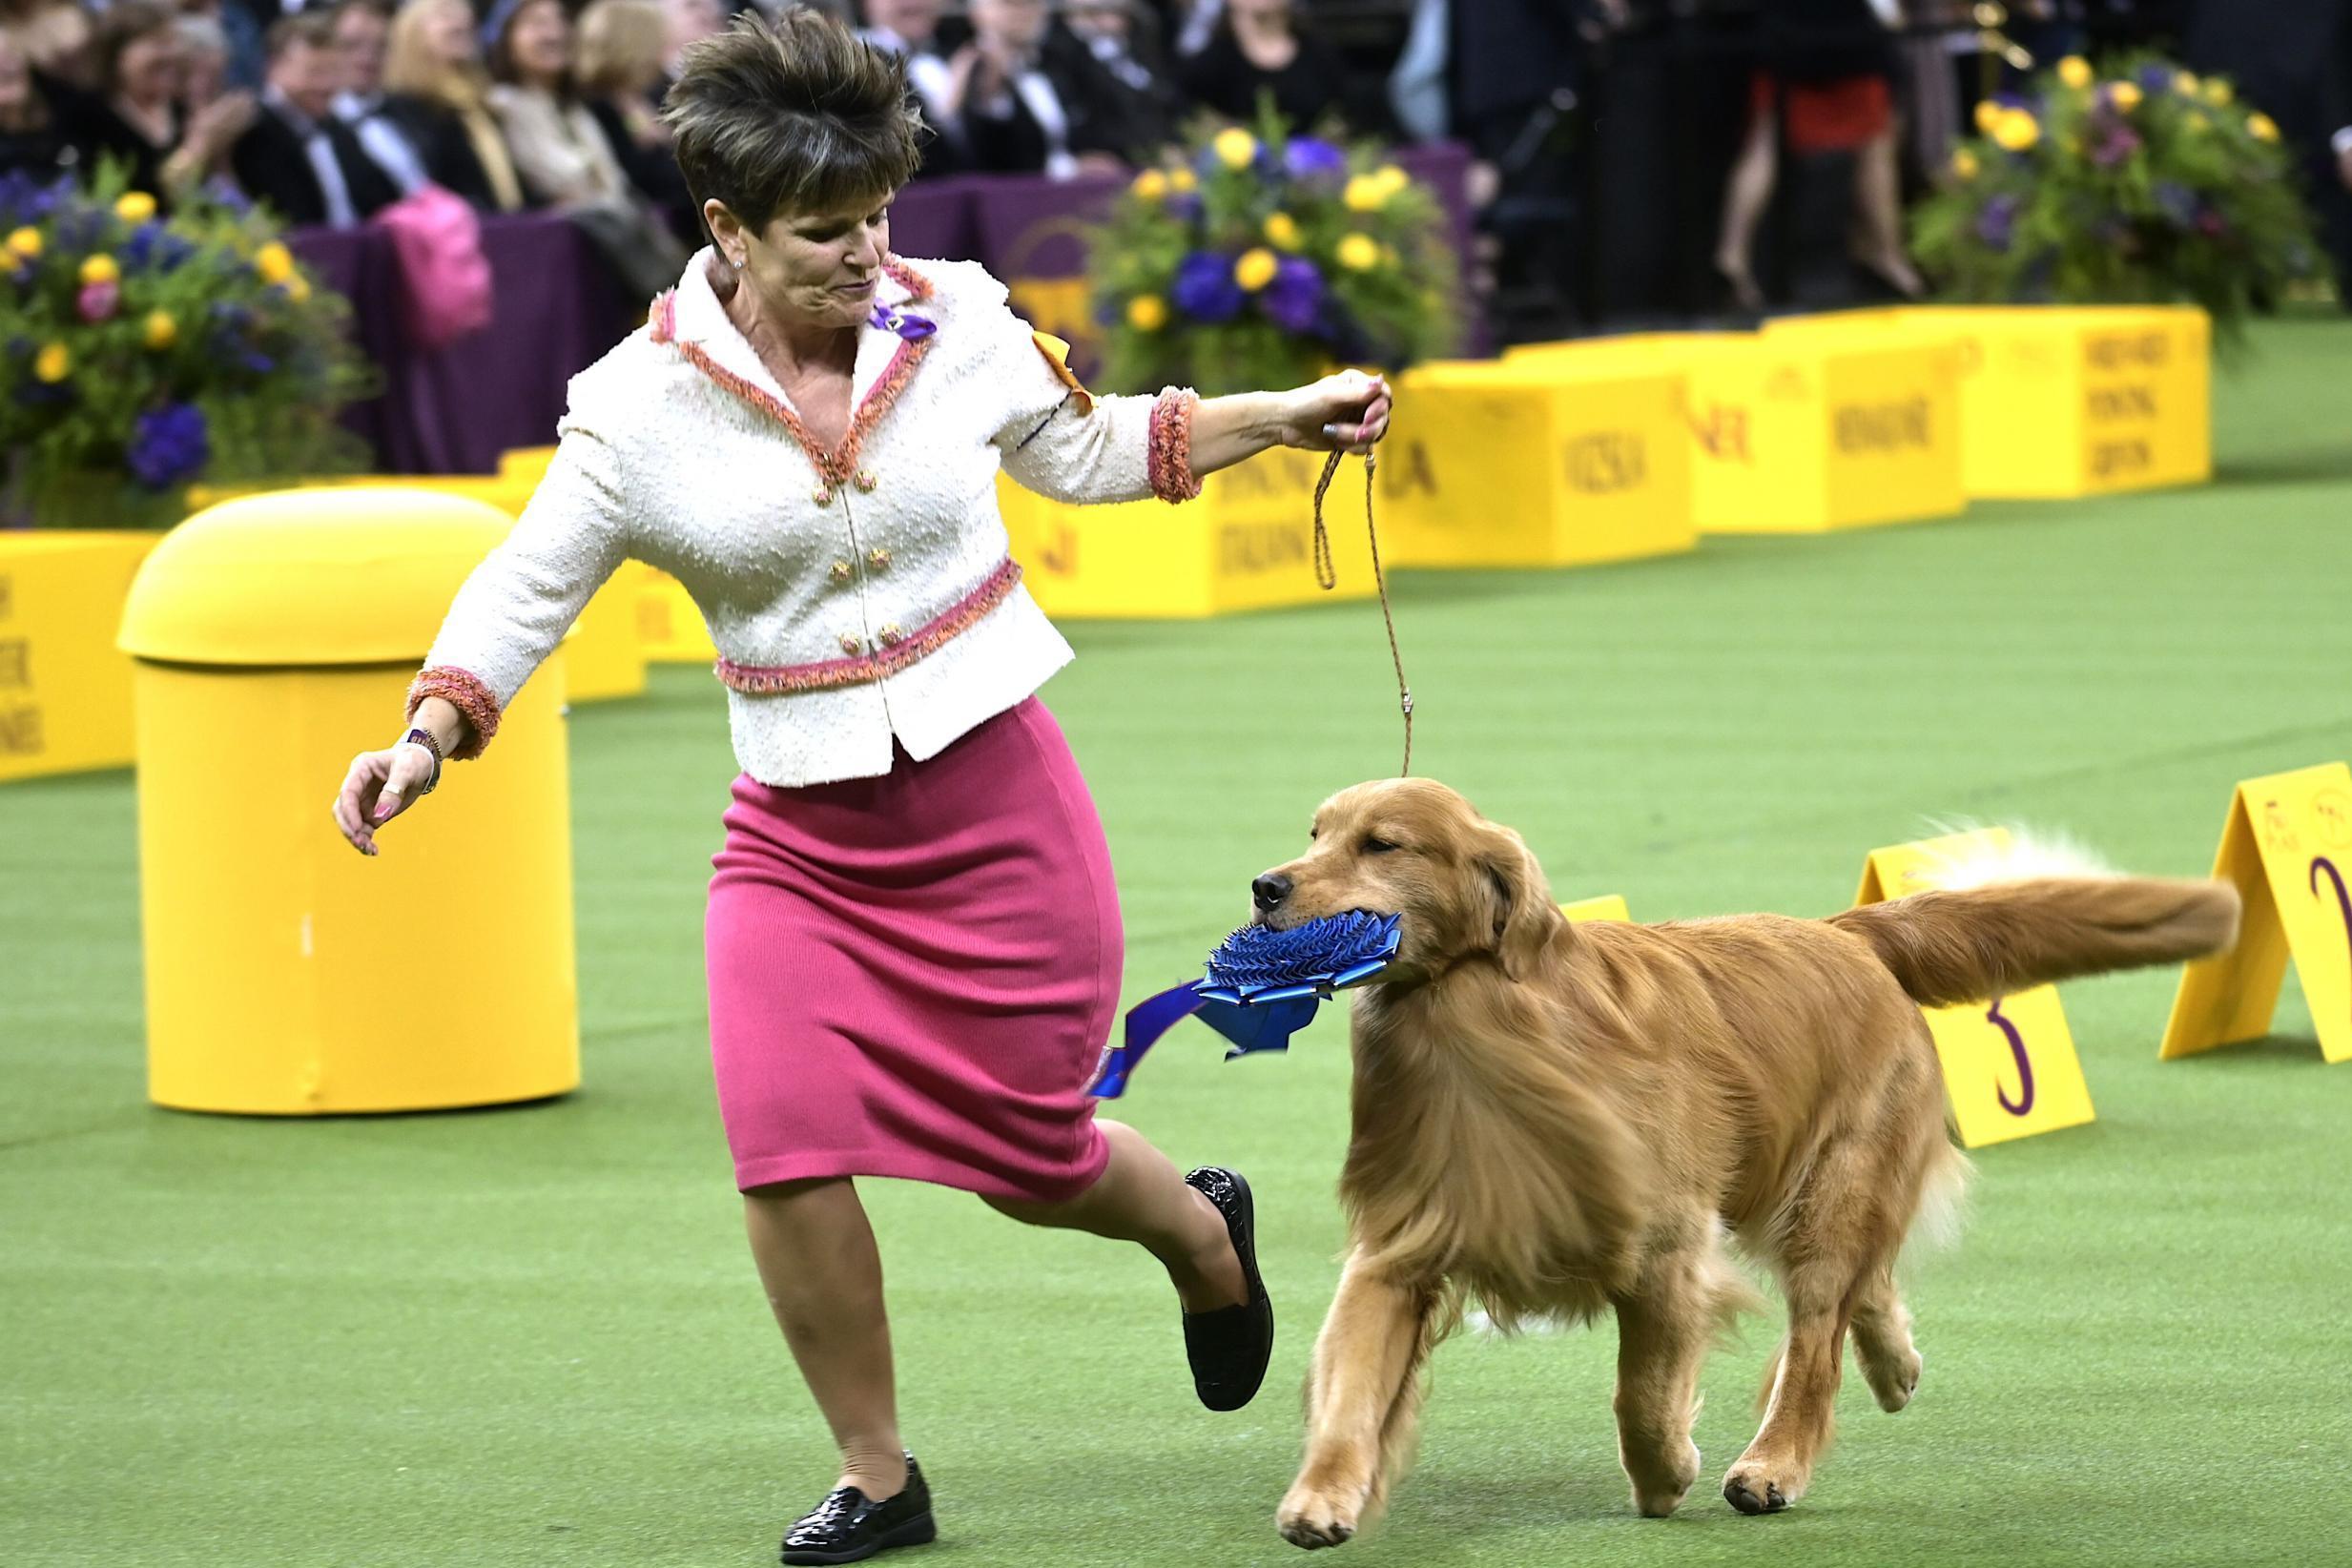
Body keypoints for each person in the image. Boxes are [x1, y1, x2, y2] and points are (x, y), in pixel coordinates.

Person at [330, 10, 1391, 1563]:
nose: (868, 254)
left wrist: (1280, 413)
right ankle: (879, 1471)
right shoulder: (633, 404)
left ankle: (1197, 1230)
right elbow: (525, 582)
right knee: (780, 1138)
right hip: (796, 838)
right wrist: (428, 727)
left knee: (1030, 1157)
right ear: (726, 231)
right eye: (825, 232)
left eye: (881, 216)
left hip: (998, 805)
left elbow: (1092, 449)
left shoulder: (954, 314)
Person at [1713, 0, 1924, 312]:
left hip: (1788, 32)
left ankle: (1732, 256)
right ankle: (1886, 253)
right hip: (1843, 37)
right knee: (1875, 147)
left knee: (1763, 145)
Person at [485, 0, 686, 296]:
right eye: (536, 23)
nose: (553, 33)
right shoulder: (502, 107)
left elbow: (610, 180)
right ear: (506, 39)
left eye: (558, 21)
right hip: (562, 273)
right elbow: (563, 181)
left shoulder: (575, 108)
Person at [231, 12, 403, 226]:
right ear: (275, 67)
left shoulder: (337, 127)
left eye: (334, 72)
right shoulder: (252, 130)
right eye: (314, 72)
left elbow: (380, 197)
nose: (326, 85)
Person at [380, 0, 528, 212]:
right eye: (445, 14)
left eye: (464, 13)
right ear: (411, 33)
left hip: (508, 227)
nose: (461, 20)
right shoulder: (404, 107)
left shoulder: (482, 104)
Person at [1177, 0, 1372, 134]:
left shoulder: (1322, 57)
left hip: (1314, 182)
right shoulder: (1206, 66)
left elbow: (1348, 120)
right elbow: (1187, 123)